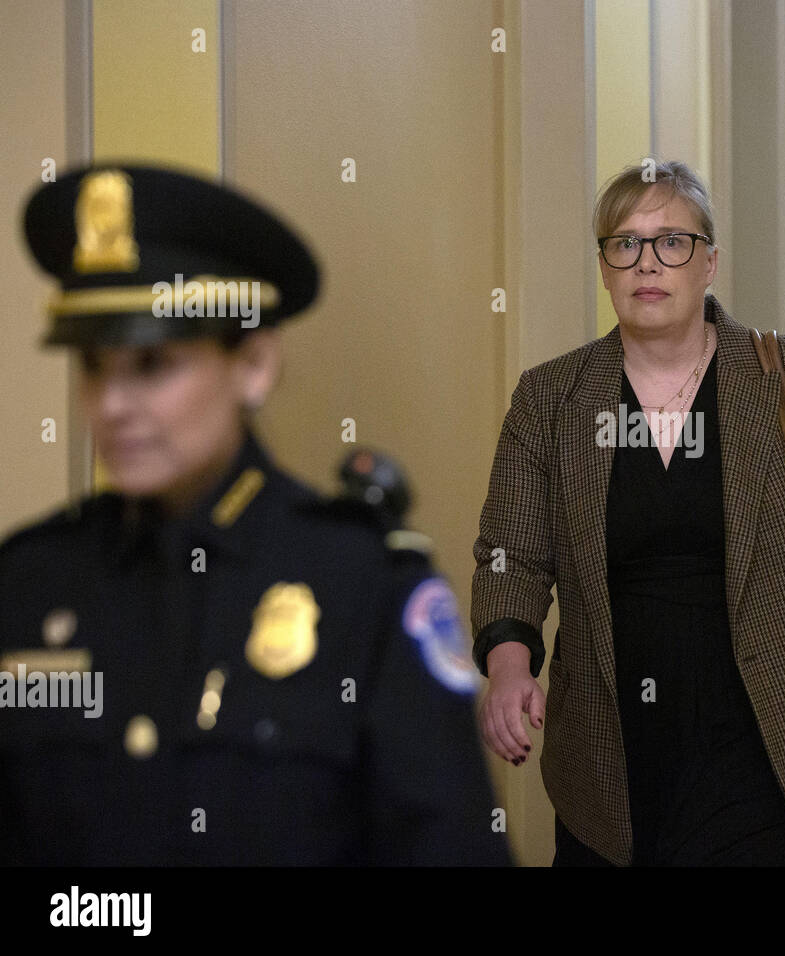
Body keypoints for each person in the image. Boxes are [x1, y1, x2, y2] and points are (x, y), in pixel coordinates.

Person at [0, 165, 510, 866]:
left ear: (253, 365)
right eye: (94, 363)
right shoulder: (33, 580)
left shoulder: (362, 582)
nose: (112, 405)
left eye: (152, 363)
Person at [471, 160, 785, 867]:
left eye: (672, 242)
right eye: (624, 244)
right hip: (614, 751)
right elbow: (512, 556)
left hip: (779, 742)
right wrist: (508, 669)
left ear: (709, 261)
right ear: (604, 268)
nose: (647, 263)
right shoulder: (551, 398)